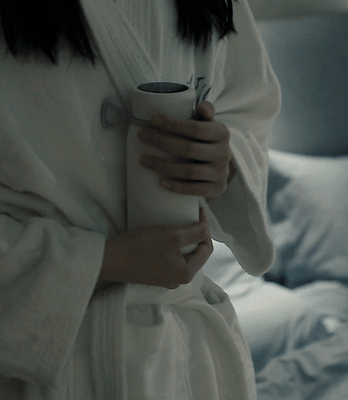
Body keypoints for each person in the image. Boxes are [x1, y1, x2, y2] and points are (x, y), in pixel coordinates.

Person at [0, 0, 281, 399]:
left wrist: (225, 159)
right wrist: (102, 262)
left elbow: (249, 104)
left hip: (185, 357)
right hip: (48, 360)